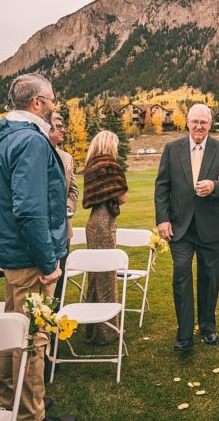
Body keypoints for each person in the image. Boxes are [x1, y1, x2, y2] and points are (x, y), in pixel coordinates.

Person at [0, 72, 71, 421]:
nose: (53, 105)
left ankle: (10, 401)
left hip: (13, 253)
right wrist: (48, 263)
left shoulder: (4, 136)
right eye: (51, 99)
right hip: (31, 255)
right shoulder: (31, 141)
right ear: (37, 103)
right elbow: (30, 209)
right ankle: (31, 414)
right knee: (34, 336)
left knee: (14, 329)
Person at [154, 104, 219, 352]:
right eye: (195, 122)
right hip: (179, 227)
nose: (199, 126)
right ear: (187, 123)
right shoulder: (172, 149)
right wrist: (162, 220)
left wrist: (214, 187)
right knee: (181, 276)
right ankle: (184, 334)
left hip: (211, 227)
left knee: (210, 278)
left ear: (210, 124)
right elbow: (162, 187)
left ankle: (208, 327)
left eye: (203, 122)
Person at [81, 130, 128, 344]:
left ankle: (92, 329)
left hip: (93, 222)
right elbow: (123, 197)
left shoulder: (91, 166)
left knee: (94, 275)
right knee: (107, 276)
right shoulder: (110, 165)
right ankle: (106, 332)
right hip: (104, 222)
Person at [48, 112, 80, 303]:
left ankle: (56, 314)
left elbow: (73, 190)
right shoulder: (34, 153)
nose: (63, 130)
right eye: (58, 126)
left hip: (63, 228)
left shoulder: (66, 157)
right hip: (40, 228)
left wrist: (67, 207)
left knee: (59, 278)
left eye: (63, 126)